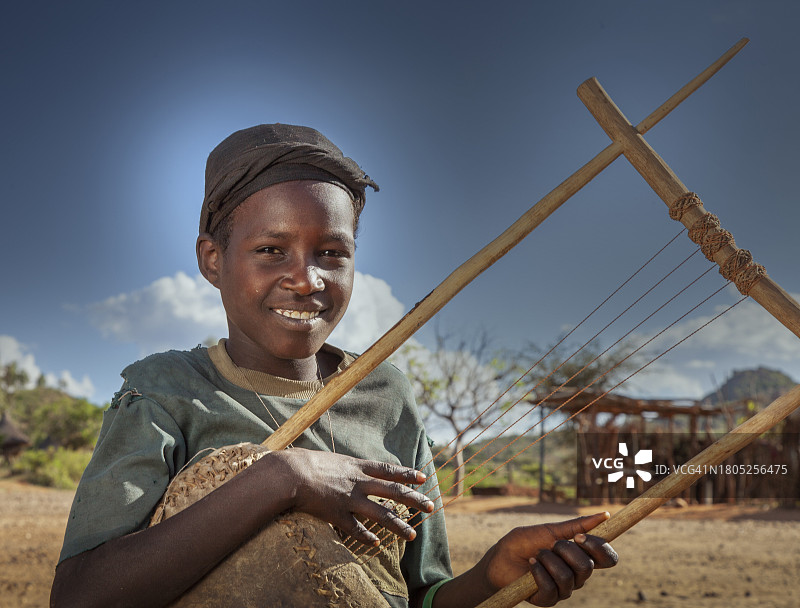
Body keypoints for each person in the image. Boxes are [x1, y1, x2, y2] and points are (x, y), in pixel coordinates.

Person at [51, 124, 617, 608]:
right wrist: (281, 479)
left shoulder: (388, 397)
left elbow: (418, 596)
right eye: (271, 250)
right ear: (213, 260)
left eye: (332, 252)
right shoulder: (166, 393)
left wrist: (493, 576)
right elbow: (80, 594)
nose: (307, 279)